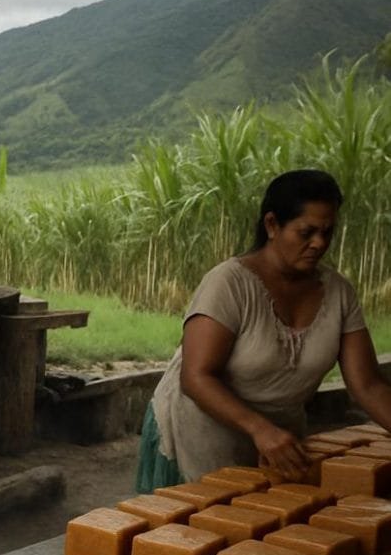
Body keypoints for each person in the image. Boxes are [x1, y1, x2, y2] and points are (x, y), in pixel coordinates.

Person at [136, 168, 391, 490]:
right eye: (306, 232)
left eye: (327, 232)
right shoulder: (229, 284)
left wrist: (270, 434)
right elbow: (197, 378)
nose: (319, 244)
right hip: (201, 433)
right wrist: (260, 430)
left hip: (279, 441)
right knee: (199, 528)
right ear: (272, 225)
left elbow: (368, 385)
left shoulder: (339, 293)